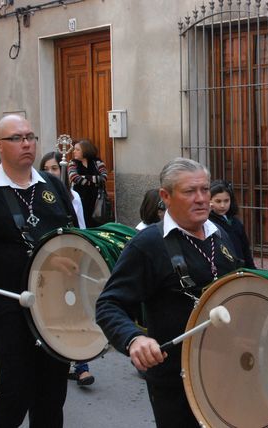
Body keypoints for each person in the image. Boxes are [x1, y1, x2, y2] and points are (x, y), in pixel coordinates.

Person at [95, 157, 242, 427]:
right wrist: (134, 340)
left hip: (228, 370)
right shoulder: (147, 244)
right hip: (177, 380)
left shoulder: (220, 233)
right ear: (166, 196)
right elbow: (108, 305)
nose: (201, 199)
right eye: (189, 191)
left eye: (205, 190)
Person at [0, 114, 77, 427]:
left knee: (51, 395)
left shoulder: (53, 186)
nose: (26, 143)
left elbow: (74, 238)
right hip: (7, 304)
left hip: (55, 306)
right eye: (17, 138)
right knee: (14, 388)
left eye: (30, 136)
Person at [40, 151, 95, 386]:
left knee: (75, 308)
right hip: (46, 265)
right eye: (49, 169)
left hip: (70, 259)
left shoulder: (72, 196)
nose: (54, 172)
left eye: (56, 168)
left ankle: (81, 365)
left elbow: (80, 227)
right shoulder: (37, 197)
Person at [208, 179, 256, 269]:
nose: (223, 205)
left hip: (240, 269)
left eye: (226, 201)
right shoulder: (207, 224)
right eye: (218, 201)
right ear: (210, 201)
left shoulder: (235, 222)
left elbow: (245, 249)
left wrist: (251, 270)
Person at [68, 139, 108, 228]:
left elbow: (104, 177)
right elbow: (74, 177)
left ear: (85, 150)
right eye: (74, 149)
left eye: (77, 150)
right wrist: (93, 180)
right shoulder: (73, 163)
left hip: (97, 200)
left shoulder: (97, 162)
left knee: (97, 224)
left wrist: (84, 177)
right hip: (80, 199)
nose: (74, 152)